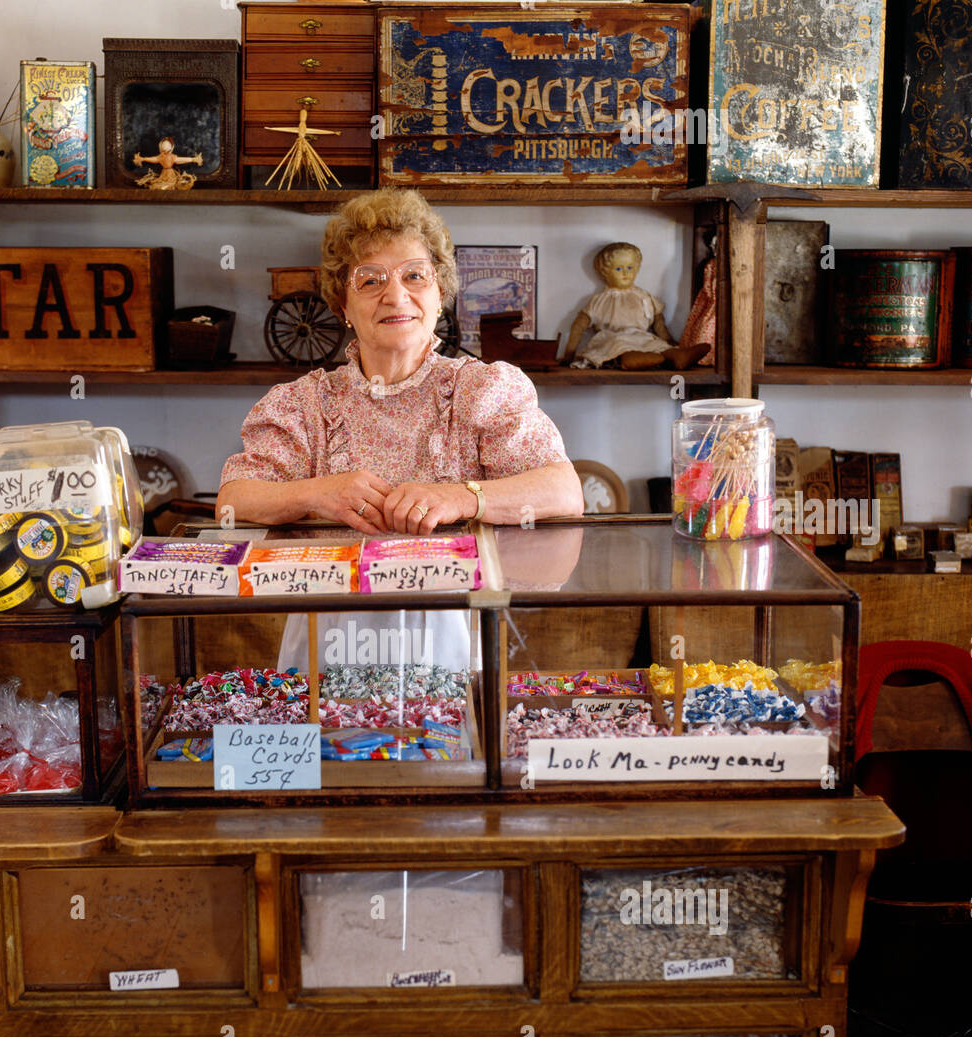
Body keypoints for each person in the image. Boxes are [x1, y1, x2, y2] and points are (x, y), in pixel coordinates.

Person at [217, 188, 584, 674]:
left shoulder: (482, 389)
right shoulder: (301, 403)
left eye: (415, 275)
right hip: (326, 641)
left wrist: (462, 496)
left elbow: (562, 491)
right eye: (370, 281)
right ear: (341, 304)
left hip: (454, 639)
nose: (396, 295)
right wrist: (315, 493)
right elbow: (232, 502)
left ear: (439, 295)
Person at [562, 241, 708, 371]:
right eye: (618, 269)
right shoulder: (600, 300)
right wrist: (569, 353)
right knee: (618, 346)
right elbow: (579, 325)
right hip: (612, 337)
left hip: (640, 336)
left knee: (656, 345)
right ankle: (634, 359)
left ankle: (678, 356)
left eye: (630, 267)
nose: (626, 273)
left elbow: (658, 321)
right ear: (604, 272)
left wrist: (669, 340)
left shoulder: (643, 296)